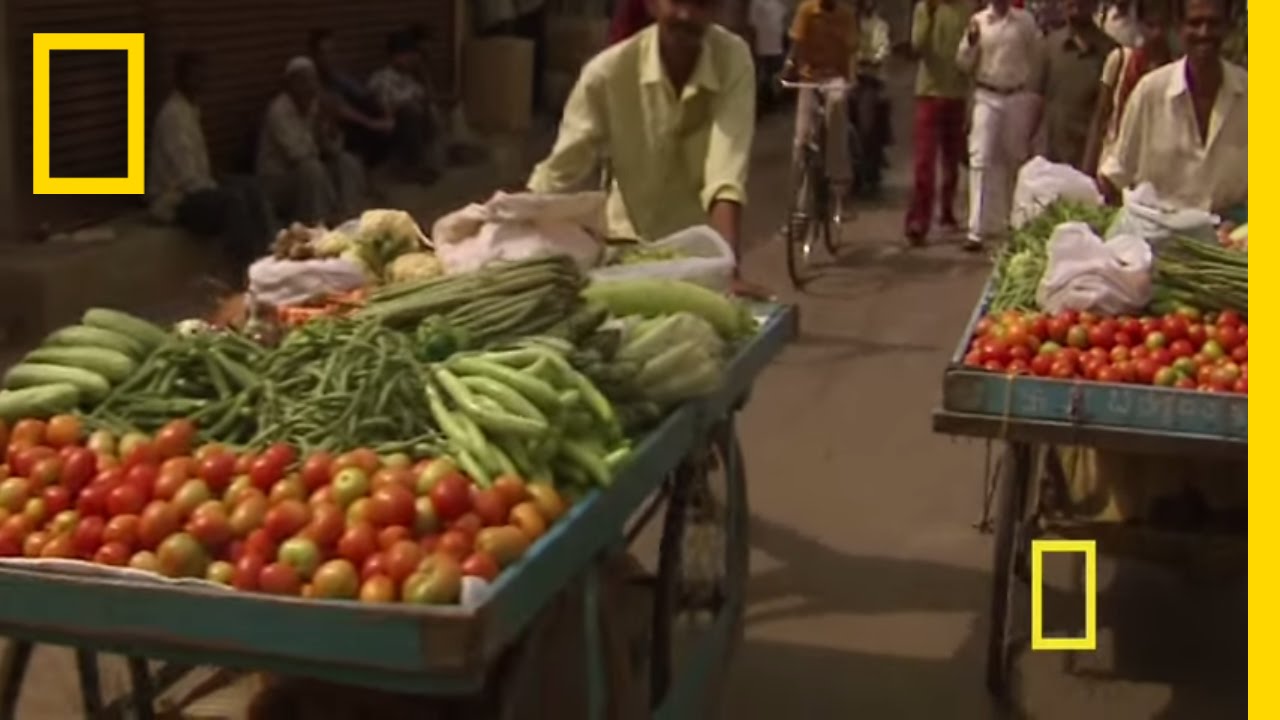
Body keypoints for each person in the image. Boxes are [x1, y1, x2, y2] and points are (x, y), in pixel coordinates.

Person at [527, 0, 763, 294]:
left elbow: (726, 173)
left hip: (697, 259)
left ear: (716, 10)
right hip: (624, 251)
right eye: (676, 2)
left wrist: (727, 269)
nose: (686, 15)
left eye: (701, 4)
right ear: (651, 4)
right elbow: (560, 172)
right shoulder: (607, 73)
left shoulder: (732, 59)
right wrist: (512, 230)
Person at [1099, 0, 1245, 216]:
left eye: (1213, 23)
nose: (1204, 32)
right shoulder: (1150, 93)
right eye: (1195, 23)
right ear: (1179, 27)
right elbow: (1117, 174)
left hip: (1231, 242)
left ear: (1227, 27)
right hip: (1159, 240)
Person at [148, 52, 277, 282]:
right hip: (174, 201)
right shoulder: (173, 116)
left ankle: (269, 254)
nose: (199, 81)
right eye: (192, 76)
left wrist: (220, 180)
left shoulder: (191, 110)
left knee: (251, 187)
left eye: (201, 76)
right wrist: (217, 187)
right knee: (232, 201)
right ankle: (240, 272)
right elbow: (188, 177)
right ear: (180, 78)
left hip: (195, 189)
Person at [956, 0, 1044, 251]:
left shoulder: (1025, 22)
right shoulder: (979, 22)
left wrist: (1032, 92)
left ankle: (1013, 223)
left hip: (1016, 95)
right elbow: (963, 63)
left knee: (1014, 159)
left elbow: (1035, 55)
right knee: (980, 159)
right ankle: (976, 230)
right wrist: (971, 43)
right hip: (987, 94)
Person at [256, 57, 366, 225]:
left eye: (313, 80)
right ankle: (316, 224)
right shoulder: (279, 111)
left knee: (347, 162)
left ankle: (349, 217)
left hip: (312, 174)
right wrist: (318, 134)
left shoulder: (314, 106)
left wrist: (331, 129)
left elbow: (333, 149)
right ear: (291, 84)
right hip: (278, 181)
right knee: (311, 169)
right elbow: (297, 154)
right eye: (304, 81)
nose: (311, 86)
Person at [1082, 0, 1175, 176]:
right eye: (1150, 25)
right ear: (1139, 25)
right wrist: (1087, 173)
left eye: (1163, 25)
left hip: (1155, 170)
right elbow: (1101, 117)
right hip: (1113, 165)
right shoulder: (1120, 61)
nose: (1157, 33)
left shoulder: (1177, 71)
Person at [783, 0, 860, 210]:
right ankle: (799, 207)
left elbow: (851, 51)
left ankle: (838, 177)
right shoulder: (807, 11)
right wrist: (788, 67)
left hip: (835, 77)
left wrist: (852, 78)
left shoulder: (846, 15)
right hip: (809, 78)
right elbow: (796, 44)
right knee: (802, 139)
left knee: (837, 104)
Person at [904, 0, 969, 244]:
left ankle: (947, 209)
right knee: (924, 162)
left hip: (958, 94)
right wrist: (929, 16)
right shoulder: (926, 7)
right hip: (929, 93)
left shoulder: (967, 8)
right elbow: (917, 45)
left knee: (951, 161)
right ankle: (919, 220)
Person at [1036, 0, 1115, 169]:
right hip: (1050, 160)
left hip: (1089, 162)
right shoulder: (1049, 46)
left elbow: (1105, 115)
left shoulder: (1110, 53)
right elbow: (1035, 103)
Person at [308, 29, 395, 167]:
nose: (329, 58)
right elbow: (340, 109)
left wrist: (387, 116)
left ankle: (373, 171)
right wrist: (372, 124)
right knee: (364, 131)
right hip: (325, 132)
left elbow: (366, 95)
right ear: (314, 56)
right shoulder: (311, 80)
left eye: (332, 52)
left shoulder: (336, 77)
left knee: (373, 110)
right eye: (324, 53)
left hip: (347, 124)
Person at [367, 31, 444, 183]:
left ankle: (430, 163)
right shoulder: (381, 78)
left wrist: (423, 73)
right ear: (395, 56)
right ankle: (413, 167)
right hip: (387, 130)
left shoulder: (409, 79)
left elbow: (427, 97)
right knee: (410, 111)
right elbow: (385, 108)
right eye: (407, 56)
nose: (410, 60)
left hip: (413, 129)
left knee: (430, 110)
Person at [852, 0, 892, 196]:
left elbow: (882, 49)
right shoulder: (847, 23)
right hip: (846, 78)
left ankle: (868, 170)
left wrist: (870, 59)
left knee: (867, 126)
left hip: (869, 79)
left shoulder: (879, 25)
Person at [748, 0, 789, 115]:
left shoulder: (778, 4)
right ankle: (762, 104)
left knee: (774, 75)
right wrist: (753, 46)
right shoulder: (757, 3)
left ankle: (773, 102)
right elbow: (753, 27)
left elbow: (782, 23)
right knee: (763, 76)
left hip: (777, 46)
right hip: (762, 47)